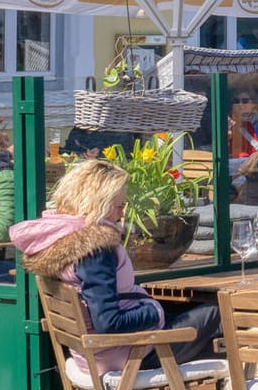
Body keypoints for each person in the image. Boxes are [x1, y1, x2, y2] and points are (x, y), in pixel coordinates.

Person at [11, 159, 219, 373]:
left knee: (191, 314)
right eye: (119, 205)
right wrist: (154, 312)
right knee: (218, 313)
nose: (122, 213)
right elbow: (108, 322)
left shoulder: (61, 237)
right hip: (126, 354)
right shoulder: (95, 251)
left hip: (96, 353)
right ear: (100, 203)